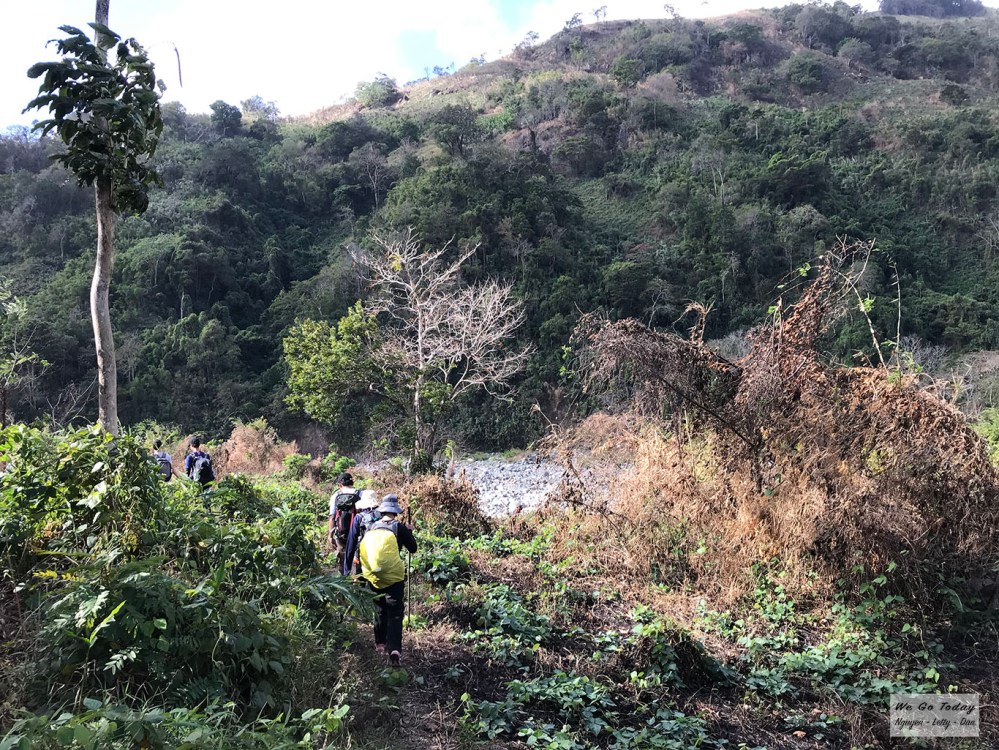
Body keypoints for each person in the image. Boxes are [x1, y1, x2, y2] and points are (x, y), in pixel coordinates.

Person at [358, 494, 417, 666]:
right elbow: (413, 549)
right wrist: (409, 532)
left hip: (374, 576)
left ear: (382, 510)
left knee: (379, 610)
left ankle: (380, 644)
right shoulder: (398, 527)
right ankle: (395, 649)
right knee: (396, 613)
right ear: (395, 512)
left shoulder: (371, 527)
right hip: (394, 578)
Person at [328, 472, 360, 573]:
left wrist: (330, 535)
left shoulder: (336, 496)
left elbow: (332, 517)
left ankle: (343, 581)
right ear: (352, 483)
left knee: (342, 557)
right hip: (357, 534)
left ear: (340, 485)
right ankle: (358, 583)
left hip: (341, 534)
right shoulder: (359, 494)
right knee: (358, 558)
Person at [344, 489, 380, 576]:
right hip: (380, 554)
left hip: (362, 555)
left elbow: (351, 542)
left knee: (361, 581)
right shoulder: (382, 515)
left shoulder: (359, 518)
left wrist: (347, 569)